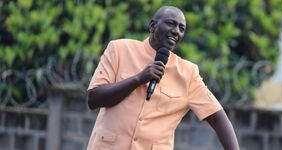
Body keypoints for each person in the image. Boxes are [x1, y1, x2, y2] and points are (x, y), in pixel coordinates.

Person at [86, 6, 239, 150]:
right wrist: (138, 79)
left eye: (181, 28)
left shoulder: (188, 73)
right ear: (153, 25)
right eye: (171, 23)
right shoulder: (119, 49)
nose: (176, 31)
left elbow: (218, 118)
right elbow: (94, 99)